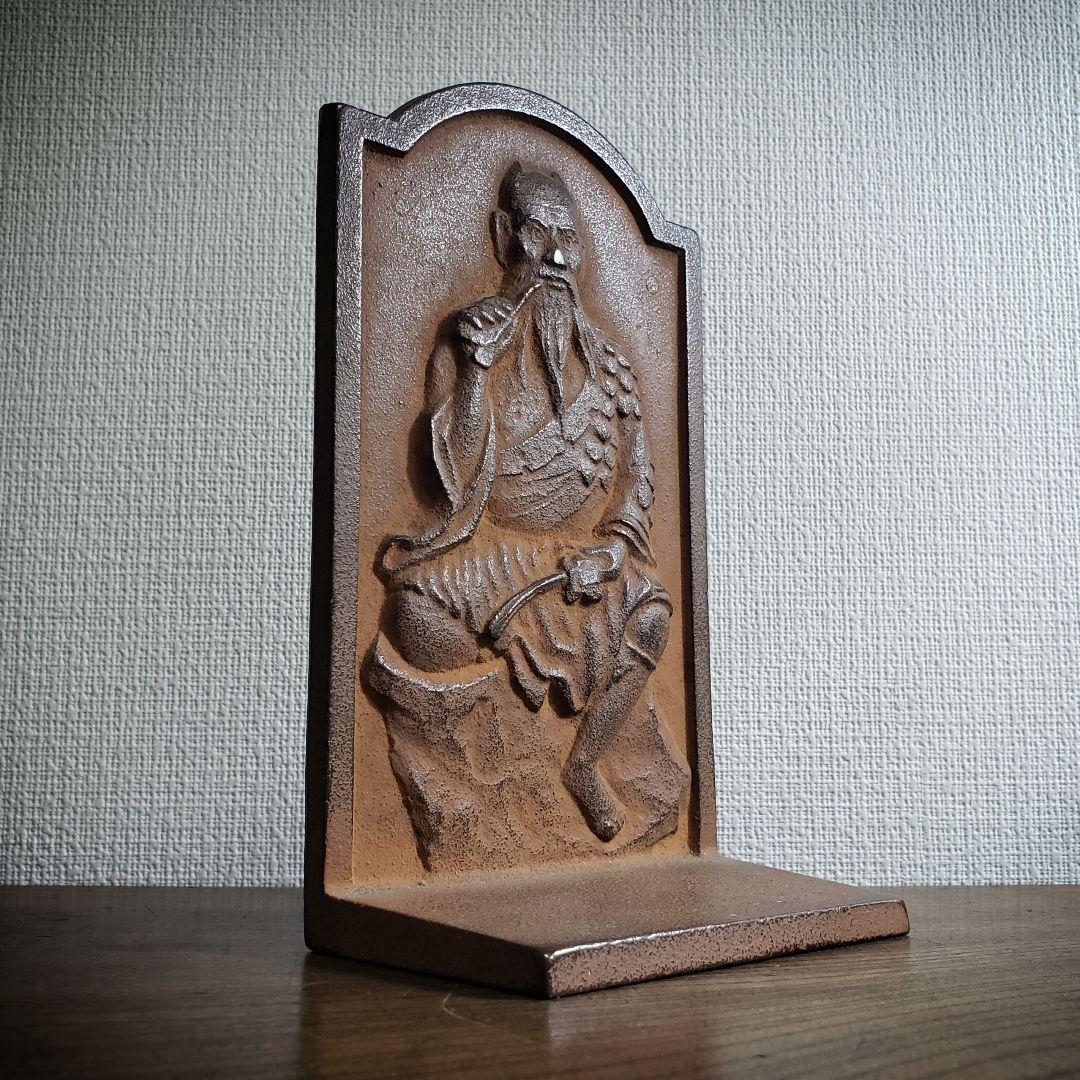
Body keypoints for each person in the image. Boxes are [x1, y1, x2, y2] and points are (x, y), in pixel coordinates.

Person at [377, 163, 672, 843]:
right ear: (504, 234)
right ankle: (495, 752)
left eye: (570, 241)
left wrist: (612, 552)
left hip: (577, 562)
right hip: (490, 556)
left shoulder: (612, 370)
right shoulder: (466, 342)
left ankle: (585, 760)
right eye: (540, 234)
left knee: (652, 612)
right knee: (413, 615)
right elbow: (454, 481)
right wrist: (475, 375)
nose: (557, 258)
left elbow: (636, 479)